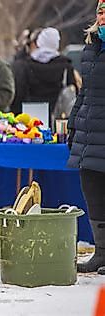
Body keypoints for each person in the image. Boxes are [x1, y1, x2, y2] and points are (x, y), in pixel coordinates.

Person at [68, 0, 105, 274]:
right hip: (90, 131)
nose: (102, 17)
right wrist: (73, 122)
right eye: (100, 12)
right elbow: (85, 92)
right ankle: (101, 252)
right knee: (93, 191)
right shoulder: (92, 46)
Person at [13, 27, 76, 125]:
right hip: (58, 119)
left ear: (39, 42)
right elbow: (72, 92)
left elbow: (19, 94)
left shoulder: (24, 65)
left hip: (30, 119)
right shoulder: (66, 66)